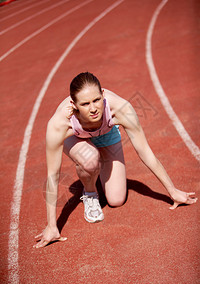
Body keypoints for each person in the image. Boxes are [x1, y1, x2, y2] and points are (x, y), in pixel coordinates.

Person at [34, 72, 197, 248]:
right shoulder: (60, 123)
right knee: (90, 160)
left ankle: (98, 167)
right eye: (85, 104)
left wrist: (172, 191)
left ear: (103, 94)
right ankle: (90, 192)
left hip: (106, 134)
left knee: (116, 200)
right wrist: (52, 226)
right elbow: (53, 175)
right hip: (76, 138)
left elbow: (145, 152)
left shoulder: (120, 109)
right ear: (73, 105)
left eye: (96, 100)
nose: (93, 108)